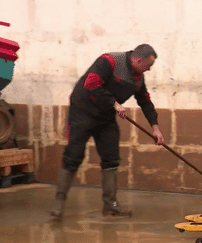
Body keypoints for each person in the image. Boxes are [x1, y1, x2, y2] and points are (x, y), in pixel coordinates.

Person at [51, 44, 165, 218]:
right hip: (83, 111)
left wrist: (155, 128)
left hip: (105, 116)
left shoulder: (138, 77)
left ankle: (110, 204)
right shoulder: (110, 61)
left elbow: (145, 102)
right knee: (74, 155)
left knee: (111, 157)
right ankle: (59, 202)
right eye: (148, 66)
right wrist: (115, 104)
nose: (148, 70)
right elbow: (91, 84)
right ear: (139, 60)